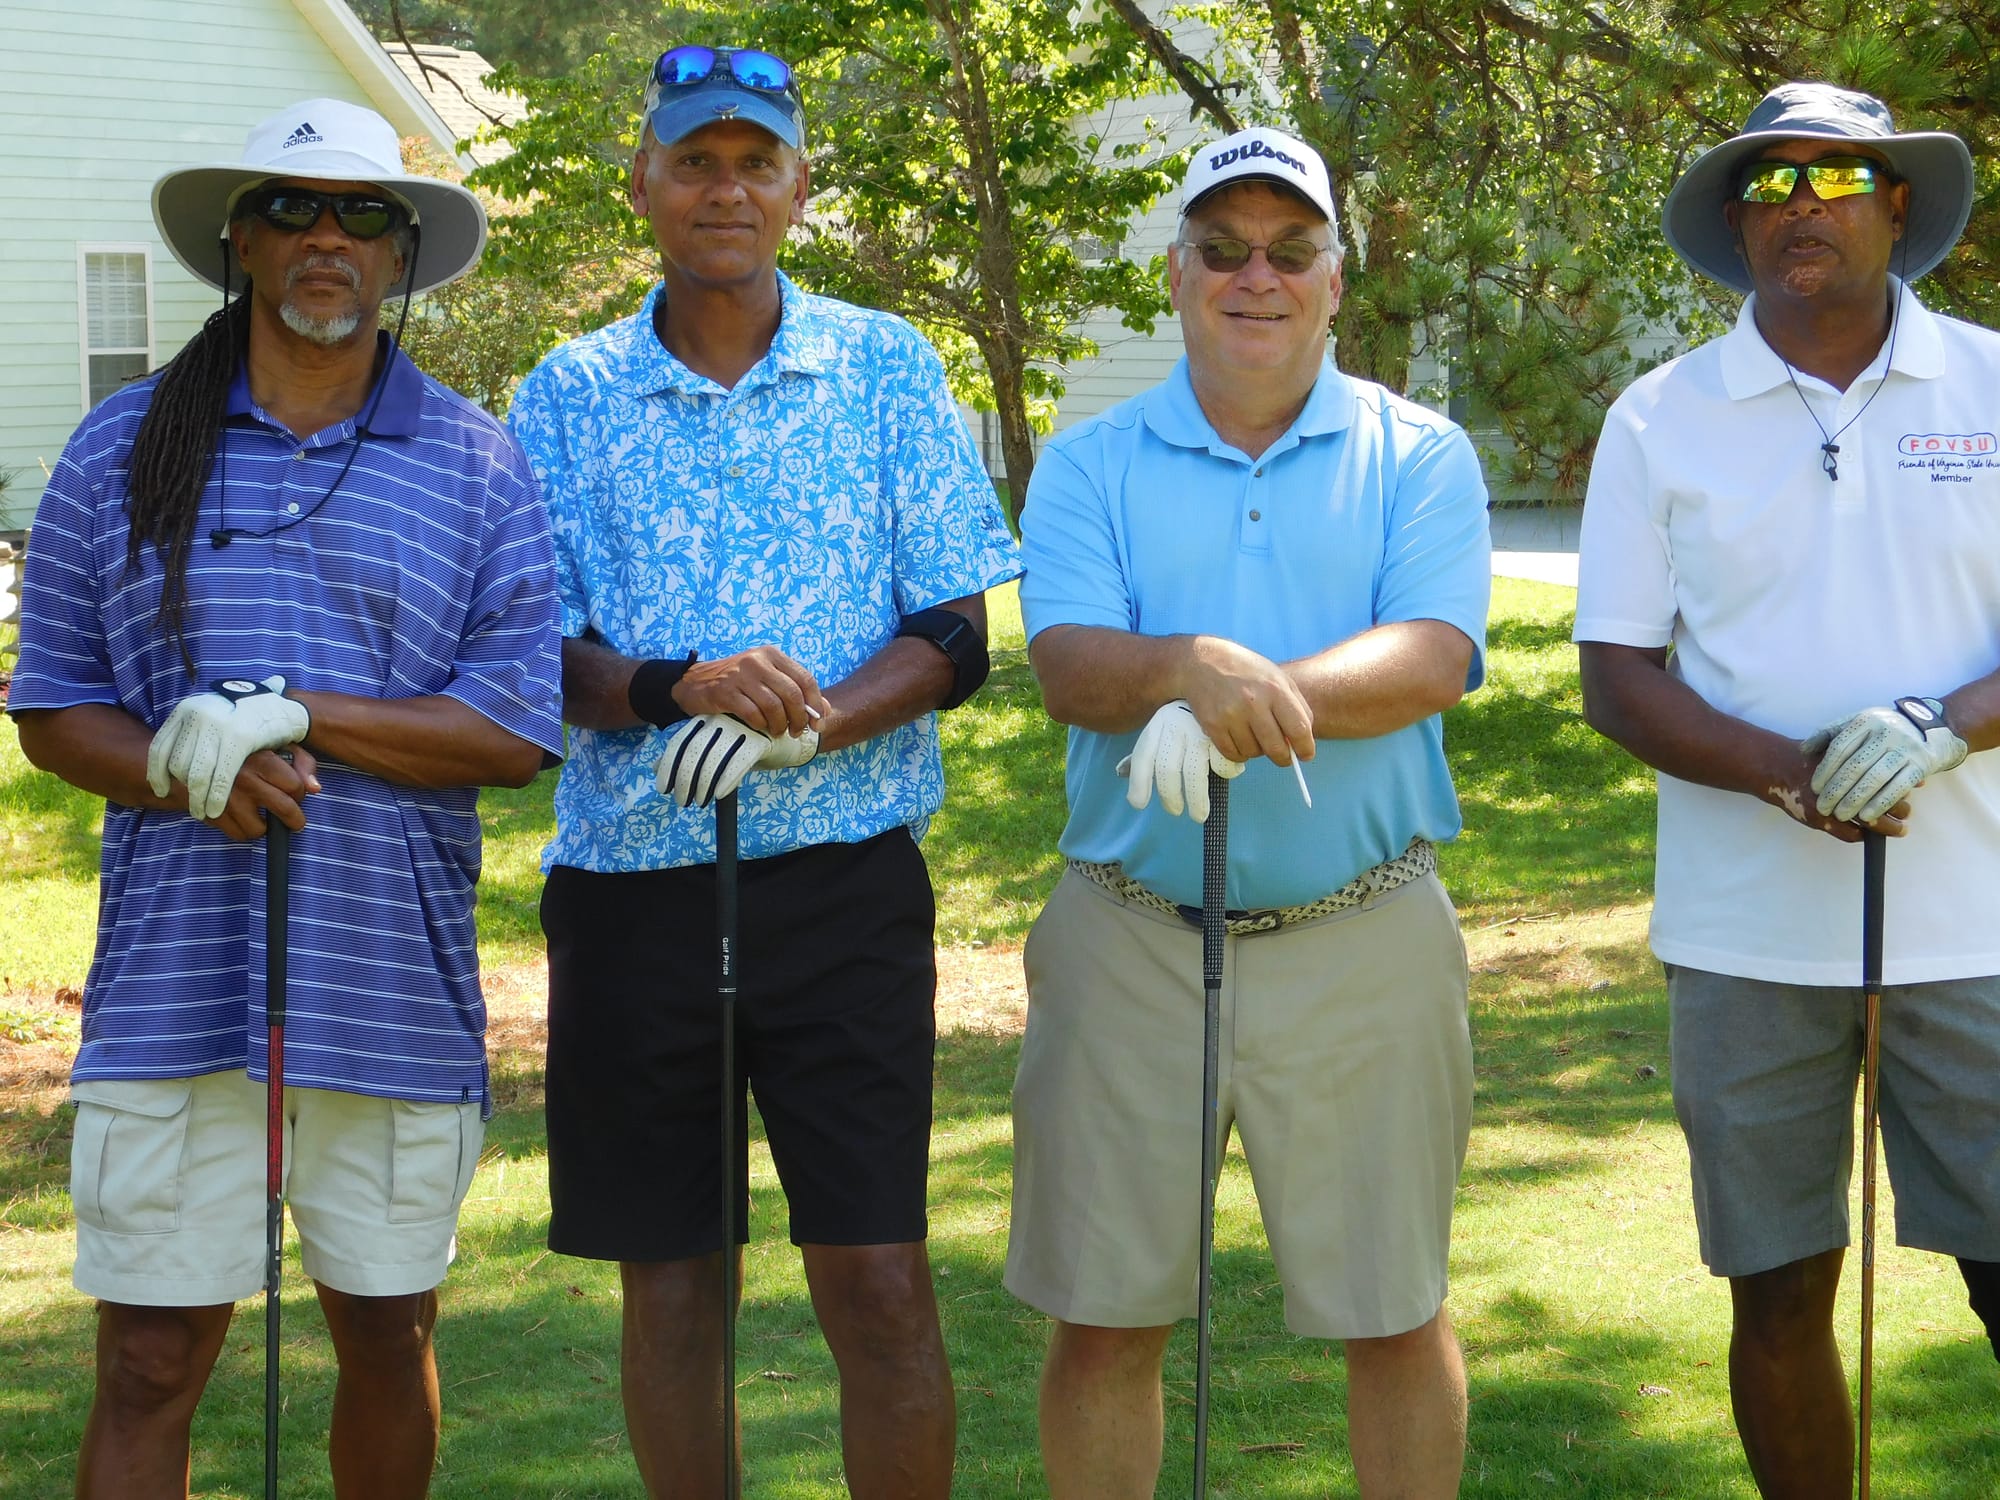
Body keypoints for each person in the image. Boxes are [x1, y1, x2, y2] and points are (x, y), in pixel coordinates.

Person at [9, 99, 563, 1499]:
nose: (330, 237)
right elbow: (52, 705)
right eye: (296, 208)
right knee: (147, 1358)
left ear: (403, 255)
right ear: (240, 240)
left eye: (366, 214)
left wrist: (306, 717)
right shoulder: (123, 445)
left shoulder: (477, 460)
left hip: (389, 976)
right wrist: (179, 763)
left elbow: (513, 727)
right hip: (173, 979)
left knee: (387, 1337)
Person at [506, 44, 1021, 1500]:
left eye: (754, 163)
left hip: (845, 890)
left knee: (877, 1282)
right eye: (694, 161)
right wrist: (671, 688)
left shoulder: (883, 364)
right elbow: (533, 653)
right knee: (674, 1291)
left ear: (799, 185)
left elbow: (953, 631)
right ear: (643, 185)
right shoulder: (566, 393)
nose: (724, 189)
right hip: (632, 893)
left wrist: (816, 719)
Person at [1005, 125, 1491, 1498]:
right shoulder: (1091, 462)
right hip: (1129, 934)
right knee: (1104, 1318)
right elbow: (1066, 662)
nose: (1255, 277)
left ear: (1337, 276)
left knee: (1394, 1311)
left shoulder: (1420, 452)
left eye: (1290, 250)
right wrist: (1174, 671)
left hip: (1365, 930)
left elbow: (1432, 655)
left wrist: (1229, 690)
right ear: (1177, 276)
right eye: (1222, 250)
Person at [1574, 80, 2000, 1496]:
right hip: (1748, 936)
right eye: (1767, 184)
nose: (1796, 206)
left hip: (1980, 929)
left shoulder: (1995, 384)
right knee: (1776, 1290)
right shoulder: (1658, 417)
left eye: (1832, 177)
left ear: (1898, 205)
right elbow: (1620, 677)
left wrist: (1945, 725)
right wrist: (1789, 778)